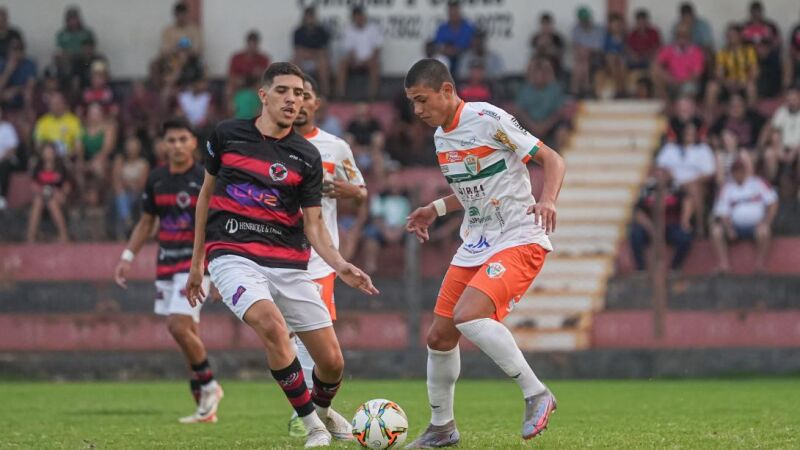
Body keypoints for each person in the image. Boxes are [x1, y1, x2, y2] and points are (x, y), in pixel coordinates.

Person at [185, 62, 377, 447]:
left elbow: (314, 225)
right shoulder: (226, 135)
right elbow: (205, 196)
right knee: (272, 327)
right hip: (232, 255)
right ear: (263, 96)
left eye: (300, 94)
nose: (293, 100)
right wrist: (197, 262)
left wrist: (340, 265)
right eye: (284, 91)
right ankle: (312, 426)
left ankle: (321, 412)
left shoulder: (306, 156)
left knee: (332, 363)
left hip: (289, 263)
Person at [403, 58, 565, 447]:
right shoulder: (443, 137)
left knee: (468, 316)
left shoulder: (487, 118)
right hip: (477, 242)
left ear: (446, 90)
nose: (417, 111)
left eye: (422, 100)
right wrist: (435, 209)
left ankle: (536, 393)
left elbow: (552, 159)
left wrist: (548, 200)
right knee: (439, 337)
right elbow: (474, 190)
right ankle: (442, 428)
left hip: (518, 236)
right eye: (412, 102)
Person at [113, 118, 221, 423]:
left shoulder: (204, 177)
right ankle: (205, 409)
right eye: (170, 140)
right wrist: (127, 256)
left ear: (193, 144)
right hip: (166, 265)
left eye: (182, 139)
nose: (176, 146)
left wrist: (216, 270)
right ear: (163, 145)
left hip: (194, 267)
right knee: (189, 336)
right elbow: (147, 222)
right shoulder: (156, 178)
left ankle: (211, 386)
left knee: (177, 326)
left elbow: (216, 226)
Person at [287, 73, 367, 437]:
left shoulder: (335, 147)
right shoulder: (273, 144)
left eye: (306, 95)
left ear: (316, 103)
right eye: (293, 95)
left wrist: (341, 188)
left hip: (319, 256)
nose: (300, 102)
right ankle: (317, 414)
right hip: (276, 252)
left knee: (312, 334)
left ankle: (310, 416)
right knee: (288, 335)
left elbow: (361, 190)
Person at [711, 159, 778, 273]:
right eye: (736, 171)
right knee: (716, 231)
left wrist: (766, 221)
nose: (738, 173)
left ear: (746, 171)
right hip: (735, 226)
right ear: (732, 173)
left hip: (757, 225)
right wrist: (728, 228)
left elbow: (773, 203)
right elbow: (722, 212)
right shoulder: (726, 187)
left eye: (741, 170)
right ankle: (724, 265)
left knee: (765, 231)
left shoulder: (758, 183)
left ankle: (760, 266)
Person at [656, 123, 715, 233]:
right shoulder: (670, 148)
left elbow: (709, 173)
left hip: (695, 184)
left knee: (693, 190)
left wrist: (689, 182)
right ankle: (661, 226)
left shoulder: (703, 149)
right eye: (687, 132)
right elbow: (659, 167)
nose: (689, 135)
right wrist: (669, 174)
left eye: (692, 133)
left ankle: (699, 226)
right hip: (673, 183)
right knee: (660, 184)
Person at [629, 173, 694, 271]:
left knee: (685, 237)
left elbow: (687, 200)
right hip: (650, 226)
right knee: (635, 235)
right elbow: (637, 211)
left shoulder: (675, 188)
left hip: (671, 226)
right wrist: (651, 228)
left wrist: (685, 220)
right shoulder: (647, 189)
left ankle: (675, 268)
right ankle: (640, 268)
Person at [362, 165, 411, 273]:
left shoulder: (408, 197)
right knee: (370, 233)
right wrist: (386, 231)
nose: (394, 182)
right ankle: (371, 267)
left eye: (396, 179)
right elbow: (376, 217)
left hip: (403, 229)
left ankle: (410, 269)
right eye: (391, 179)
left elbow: (411, 217)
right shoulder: (380, 196)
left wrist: (399, 231)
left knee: (414, 237)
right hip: (383, 229)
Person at [514, 57, 569, 150]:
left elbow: (559, 112)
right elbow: (519, 111)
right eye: (536, 73)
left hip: (550, 126)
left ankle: (558, 160)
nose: (539, 76)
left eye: (542, 73)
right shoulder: (524, 89)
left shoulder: (555, 89)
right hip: (528, 125)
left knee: (562, 130)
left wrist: (544, 126)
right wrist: (534, 127)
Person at [705, 25, 758, 110]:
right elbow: (719, 72)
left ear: (740, 36)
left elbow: (754, 71)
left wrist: (745, 81)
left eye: (733, 35)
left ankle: (752, 114)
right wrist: (725, 82)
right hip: (727, 84)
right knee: (711, 87)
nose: (730, 38)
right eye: (728, 36)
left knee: (751, 87)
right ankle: (709, 116)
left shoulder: (749, 51)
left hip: (744, 83)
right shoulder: (722, 53)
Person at [336, 6, 382, 100]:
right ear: (353, 18)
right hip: (354, 59)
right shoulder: (348, 30)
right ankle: (341, 94)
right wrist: (355, 60)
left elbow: (377, 48)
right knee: (342, 64)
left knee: (375, 65)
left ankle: (373, 95)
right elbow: (349, 49)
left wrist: (370, 59)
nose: (359, 19)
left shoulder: (373, 29)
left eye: (360, 16)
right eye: (357, 17)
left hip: (369, 59)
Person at [26, 142, 70, 242]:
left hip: (57, 196)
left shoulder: (61, 166)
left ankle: (64, 235)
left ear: (54, 153)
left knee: (52, 203)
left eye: (50, 152)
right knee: (37, 202)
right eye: (46, 152)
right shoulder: (38, 166)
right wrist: (42, 191)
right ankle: (31, 235)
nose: (48, 154)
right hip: (42, 195)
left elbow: (67, 186)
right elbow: (33, 185)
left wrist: (62, 193)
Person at [652, 24, 705, 100]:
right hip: (671, 82)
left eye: (684, 34)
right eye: (679, 34)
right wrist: (670, 79)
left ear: (689, 35)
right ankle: (667, 105)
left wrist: (680, 82)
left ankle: (684, 108)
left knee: (689, 88)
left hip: (688, 83)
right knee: (655, 74)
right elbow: (655, 65)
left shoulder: (697, 52)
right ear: (675, 35)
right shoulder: (669, 49)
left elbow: (696, 75)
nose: (681, 36)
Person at [112, 134, 149, 238]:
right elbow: (116, 179)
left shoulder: (143, 163)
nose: (131, 149)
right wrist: (129, 184)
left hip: (138, 193)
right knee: (120, 193)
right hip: (123, 192)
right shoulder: (120, 161)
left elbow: (143, 183)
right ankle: (127, 219)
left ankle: (127, 220)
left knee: (125, 196)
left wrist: (129, 184)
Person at [293, 7, 331, 97]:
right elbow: (298, 50)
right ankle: (297, 91)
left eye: (311, 17)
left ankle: (325, 94)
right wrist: (311, 53)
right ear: (304, 18)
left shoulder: (321, 32)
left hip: (317, 60)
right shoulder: (298, 32)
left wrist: (310, 53)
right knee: (293, 61)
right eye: (308, 17)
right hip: (303, 59)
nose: (309, 19)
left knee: (323, 62)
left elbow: (323, 51)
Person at [33, 92, 83, 159]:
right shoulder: (42, 122)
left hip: (68, 157)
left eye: (58, 103)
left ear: (64, 104)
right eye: (53, 104)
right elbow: (37, 145)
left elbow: (78, 145)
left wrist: (69, 155)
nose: (56, 107)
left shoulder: (74, 121)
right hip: (47, 157)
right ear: (49, 106)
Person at [433, 0, 476, 74]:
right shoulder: (442, 28)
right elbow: (437, 45)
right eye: (451, 10)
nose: (453, 13)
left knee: (466, 59)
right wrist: (446, 50)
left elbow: (472, 44)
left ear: (459, 11)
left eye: (455, 10)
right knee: (441, 60)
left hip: (462, 56)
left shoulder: (468, 27)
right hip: (447, 57)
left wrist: (457, 50)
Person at [570, 6, 605, 97]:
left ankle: (575, 90)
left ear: (590, 18)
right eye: (582, 20)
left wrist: (586, 50)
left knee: (581, 61)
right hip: (582, 57)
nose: (585, 22)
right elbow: (575, 47)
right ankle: (585, 89)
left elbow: (599, 47)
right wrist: (584, 50)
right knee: (582, 61)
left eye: (586, 19)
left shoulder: (599, 29)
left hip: (597, 56)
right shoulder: (576, 29)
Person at [0, 38, 37, 112]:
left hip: (21, 99)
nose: (17, 53)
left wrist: (16, 90)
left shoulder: (29, 64)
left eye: (20, 50)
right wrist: (8, 70)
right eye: (15, 50)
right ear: (9, 51)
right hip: (4, 102)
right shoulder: (2, 63)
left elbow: (30, 86)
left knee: (28, 95)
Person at [0, 104, 19, 209]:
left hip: (8, 160)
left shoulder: (7, 128)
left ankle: (2, 197)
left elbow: (12, 150)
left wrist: (1, 158)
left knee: (3, 165)